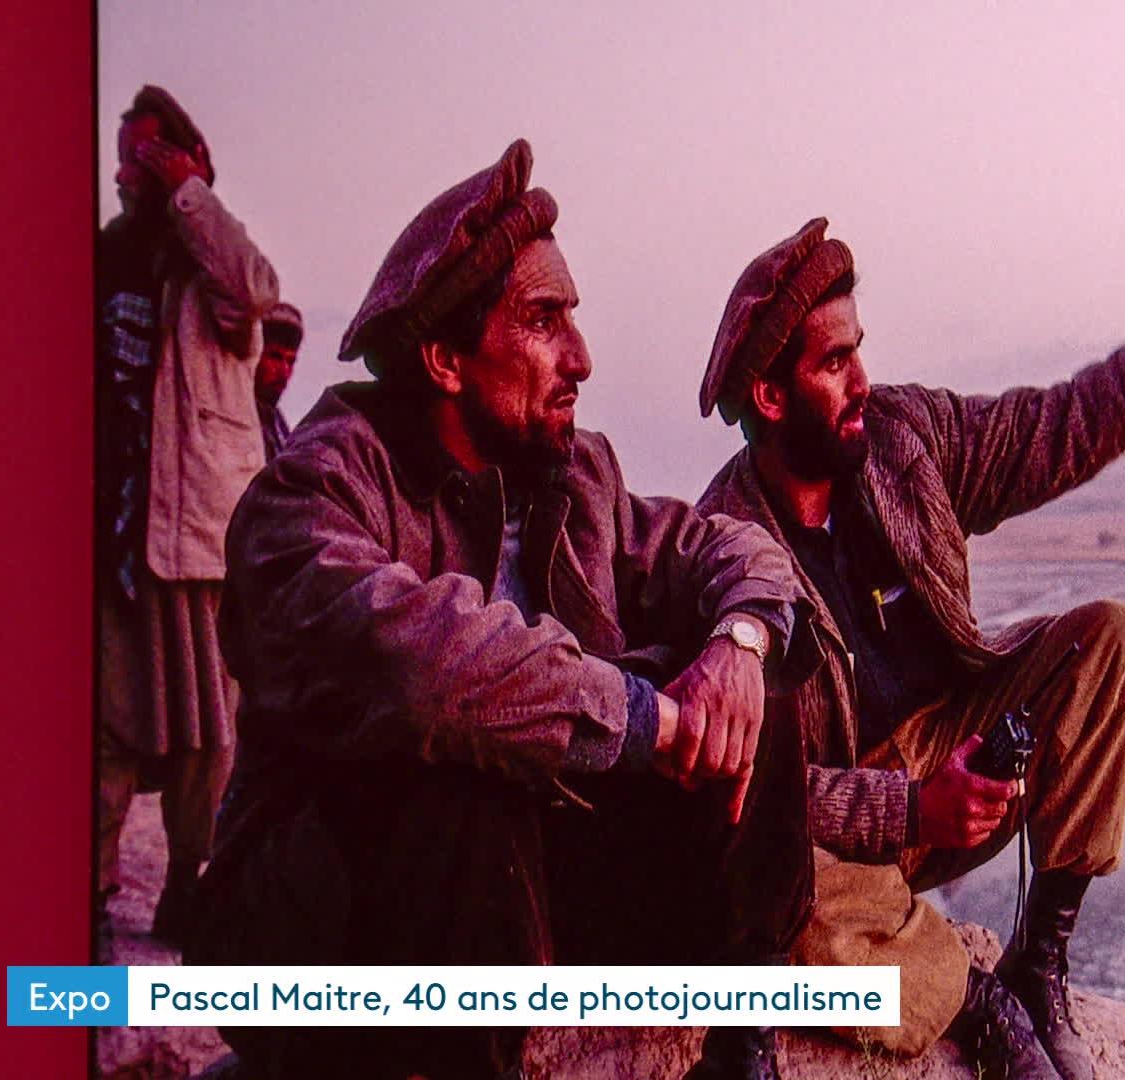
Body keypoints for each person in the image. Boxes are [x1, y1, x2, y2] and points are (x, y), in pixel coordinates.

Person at [192, 139, 814, 1080]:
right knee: (462, 774)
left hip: (519, 902)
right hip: (320, 925)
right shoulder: (313, 492)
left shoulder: (575, 476)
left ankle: (735, 1040)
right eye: (543, 321)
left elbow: (727, 548)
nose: (582, 358)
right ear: (444, 358)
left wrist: (739, 643)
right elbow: (424, 672)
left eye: (575, 318)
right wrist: (646, 716)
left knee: (752, 701)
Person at [696, 213, 1125, 1077]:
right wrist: (911, 807)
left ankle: (1038, 962)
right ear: (770, 398)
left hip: (963, 760)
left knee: (1110, 642)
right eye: (834, 362)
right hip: (846, 829)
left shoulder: (904, 440)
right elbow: (755, 793)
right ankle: (965, 991)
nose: (862, 380)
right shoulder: (723, 551)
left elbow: (1067, 423)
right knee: (793, 927)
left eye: (859, 350)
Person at [95, 84, 279, 952]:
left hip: (197, 532)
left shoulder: (213, 271)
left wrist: (190, 193)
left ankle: (186, 888)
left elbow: (255, 292)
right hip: (113, 529)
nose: (127, 172)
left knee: (207, 733)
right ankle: (90, 886)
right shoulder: (108, 255)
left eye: (146, 156)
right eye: (125, 155)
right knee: (104, 723)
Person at [255, 301, 303, 460]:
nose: (284, 371)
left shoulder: (279, 426)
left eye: (291, 361)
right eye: (275, 357)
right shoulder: (236, 416)